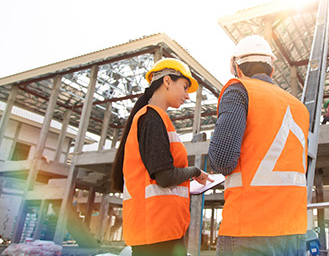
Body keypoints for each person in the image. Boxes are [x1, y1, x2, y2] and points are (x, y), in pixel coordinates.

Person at [208, 35, 309, 255]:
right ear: (271, 69)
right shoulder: (299, 107)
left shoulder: (239, 90)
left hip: (249, 232)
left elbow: (223, 160)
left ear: (237, 68)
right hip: (295, 233)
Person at [111, 58, 212, 256]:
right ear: (167, 81)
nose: (187, 96)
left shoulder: (155, 118)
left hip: (159, 231)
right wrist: (195, 171)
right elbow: (164, 177)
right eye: (184, 87)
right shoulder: (152, 118)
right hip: (157, 236)